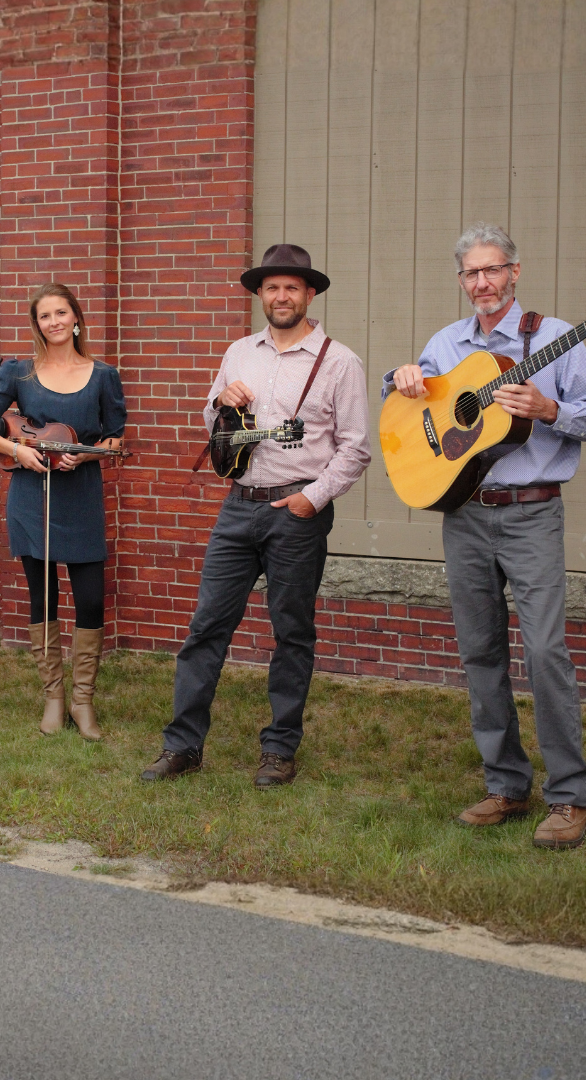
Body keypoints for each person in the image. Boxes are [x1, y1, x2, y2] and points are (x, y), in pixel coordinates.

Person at [386, 222, 586, 849]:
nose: (481, 283)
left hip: (532, 512)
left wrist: (550, 411)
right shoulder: (446, 341)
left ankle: (569, 797)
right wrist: (402, 376)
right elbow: (411, 405)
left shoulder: (560, 337)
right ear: (461, 280)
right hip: (464, 513)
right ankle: (506, 785)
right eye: (470, 273)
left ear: (514, 272)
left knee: (545, 652)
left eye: (492, 270)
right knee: (480, 652)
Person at [141, 244, 371, 785]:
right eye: (271, 287)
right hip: (238, 506)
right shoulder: (239, 351)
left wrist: (312, 498)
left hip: (298, 508)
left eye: (291, 287)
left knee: (291, 632)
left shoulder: (339, 360)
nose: (281, 296)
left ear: (309, 294)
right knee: (206, 627)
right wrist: (221, 401)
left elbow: (356, 447)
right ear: (259, 295)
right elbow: (213, 426)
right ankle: (183, 745)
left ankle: (279, 748)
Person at [0, 283, 126, 739]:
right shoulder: (19, 373)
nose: (54, 322)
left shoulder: (102, 375)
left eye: (62, 313)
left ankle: (83, 701)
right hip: (31, 497)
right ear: (36, 324)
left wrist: (89, 454)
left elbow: (115, 439)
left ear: (76, 318)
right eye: (44, 316)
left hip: (81, 496)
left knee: (91, 597)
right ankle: (54, 697)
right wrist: (16, 452)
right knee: (43, 596)